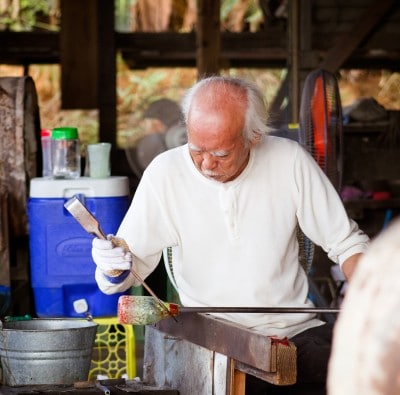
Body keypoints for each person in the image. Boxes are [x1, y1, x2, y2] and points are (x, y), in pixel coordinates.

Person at [92, 76, 370, 394]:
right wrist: (112, 263)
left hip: (293, 331)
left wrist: (376, 301)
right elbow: (127, 270)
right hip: (212, 341)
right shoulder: (165, 173)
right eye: (197, 150)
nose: (207, 164)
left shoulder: (289, 160)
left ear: (253, 137)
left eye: (222, 154)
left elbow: (346, 243)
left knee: (357, 371)